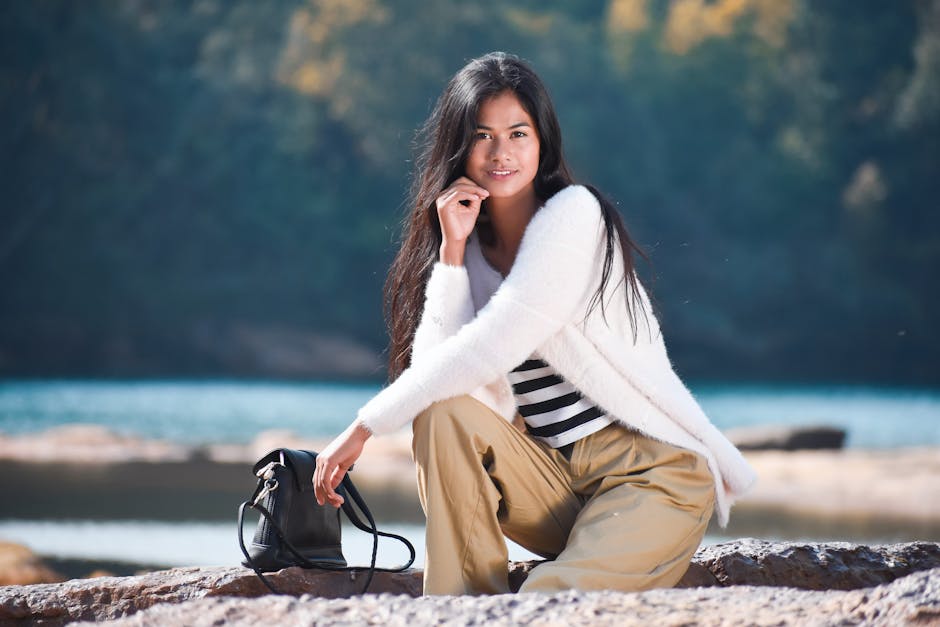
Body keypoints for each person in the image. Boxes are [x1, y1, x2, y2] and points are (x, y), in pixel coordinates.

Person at [313, 51, 756, 595]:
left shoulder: (575, 215)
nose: (502, 152)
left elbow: (495, 342)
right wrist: (452, 254)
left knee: (547, 598)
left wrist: (363, 429)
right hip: (556, 484)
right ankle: (459, 604)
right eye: (483, 135)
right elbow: (437, 377)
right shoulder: (471, 247)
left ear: (542, 140)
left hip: (650, 477)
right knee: (443, 413)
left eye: (518, 133)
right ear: (460, 145)